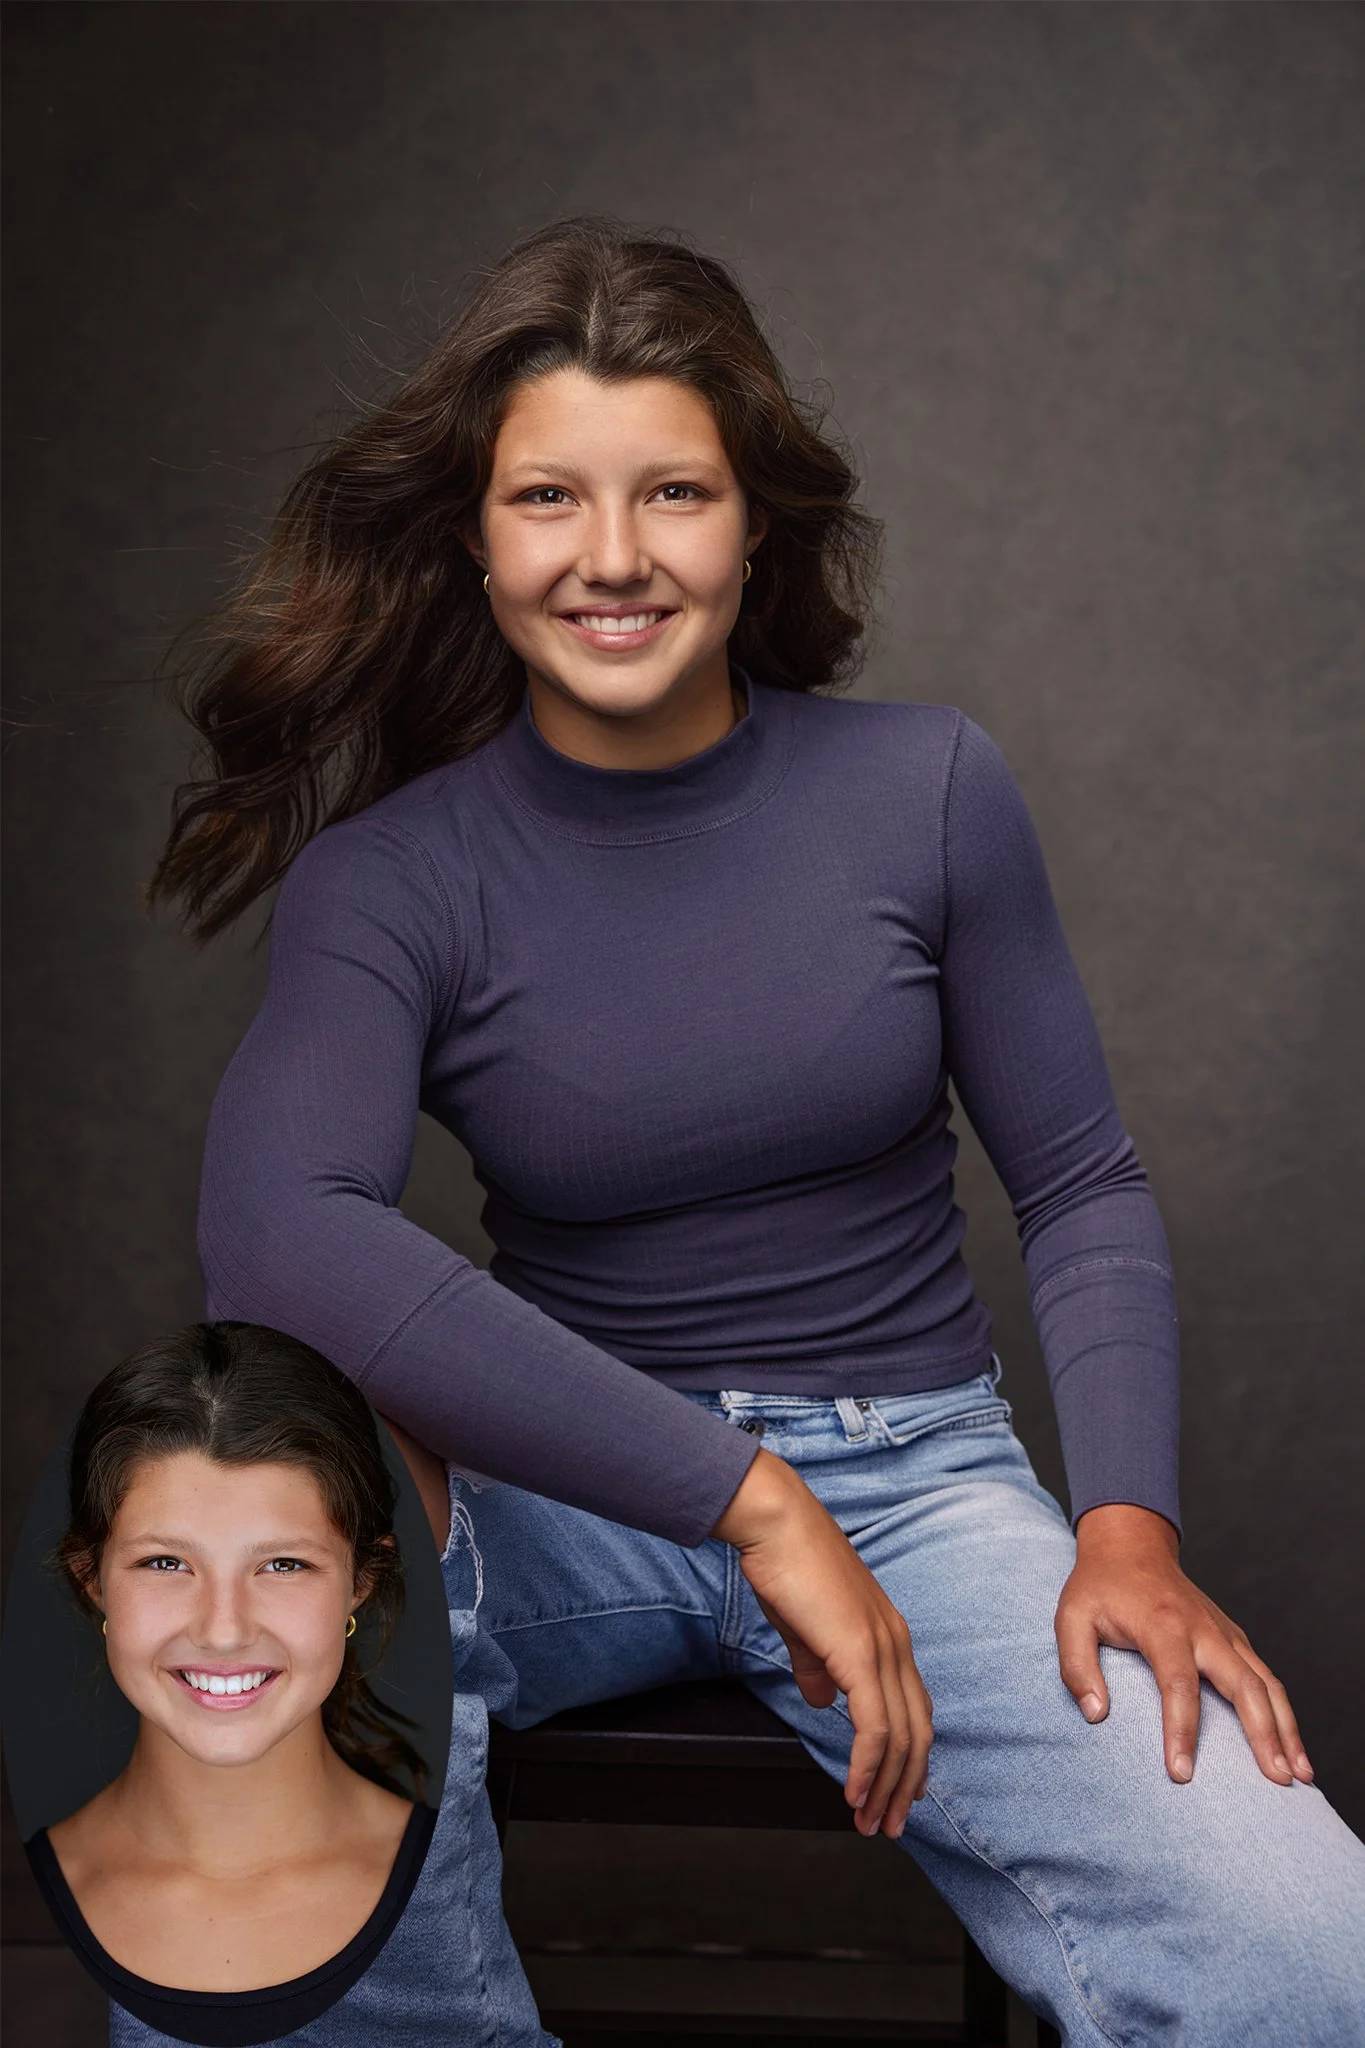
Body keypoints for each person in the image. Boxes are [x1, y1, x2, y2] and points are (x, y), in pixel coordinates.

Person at [152, 219, 1365, 2044]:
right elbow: (277, 1237)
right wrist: (744, 1498)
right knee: (233, 1538)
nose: (614, 557)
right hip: (555, 1489)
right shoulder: (394, 879)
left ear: (754, 522)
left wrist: (1125, 1524)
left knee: (1311, 1967)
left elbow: (1085, 1180)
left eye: (676, 494)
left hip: (923, 1498)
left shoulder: (927, 790)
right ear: (476, 532)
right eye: (550, 495)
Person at [29, 1321, 552, 2047]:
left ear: (360, 1583)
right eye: (164, 1563)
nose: (222, 1629)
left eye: (283, 1566)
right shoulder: (57, 1876)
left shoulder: (426, 1865)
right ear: (92, 1581)